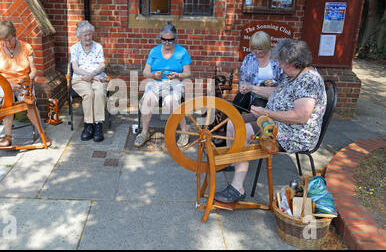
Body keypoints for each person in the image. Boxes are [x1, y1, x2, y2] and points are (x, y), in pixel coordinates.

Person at [215, 39, 327, 203]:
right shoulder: (293, 75)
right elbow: (276, 93)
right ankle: (235, 161)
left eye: (282, 63)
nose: (280, 66)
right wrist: (252, 88)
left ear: (294, 62)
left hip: (294, 133)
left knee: (242, 132)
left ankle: (237, 187)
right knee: (233, 122)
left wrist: (267, 112)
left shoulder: (308, 80)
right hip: (275, 120)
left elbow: (301, 116)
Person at [0, 20, 51, 147]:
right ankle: (8, 136)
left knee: (29, 103)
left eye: (10, 39)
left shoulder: (26, 47)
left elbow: (34, 70)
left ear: (15, 34)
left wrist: (27, 79)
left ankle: (41, 132)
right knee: (7, 102)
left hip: (23, 82)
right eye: (4, 41)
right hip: (3, 83)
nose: (7, 43)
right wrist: (9, 85)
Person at [134, 22, 192, 147]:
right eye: (163, 40)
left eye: (170, 40)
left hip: (175, 82)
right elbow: (145, 72)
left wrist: (178, 75)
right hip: (155, 82)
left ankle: (184, 131)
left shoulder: (182, 51)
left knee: (171, 101)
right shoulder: (154, 51)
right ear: (160, 38)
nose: (166, 43)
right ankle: (144, 132)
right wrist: (154, 75)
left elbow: (187, 72)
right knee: (147, 100)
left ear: (175, 39)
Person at [70, 20, 108, 142]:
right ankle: (88, 125)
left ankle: (98, 125)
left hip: (97, 76)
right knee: (89, 94)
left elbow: (102, 65)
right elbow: (75, 68)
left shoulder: (98, 47)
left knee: (99, 93)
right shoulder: (74, 48)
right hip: (80, 78)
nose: (88, 37)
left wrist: (93, 74)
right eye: (85, 35)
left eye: (89, 34)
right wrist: (91, 75)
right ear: (79, 36)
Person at [234, 31, 284, 112]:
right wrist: (243, 86)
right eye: (254, 49)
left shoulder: (277, 59)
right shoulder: (249, 58)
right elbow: (242, 78)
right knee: (236, 106)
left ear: (267, 46)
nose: (257, 51)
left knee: (257, 109)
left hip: (268, 97)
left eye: (260, 49)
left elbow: (284, 83)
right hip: (249, 94)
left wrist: (273, 82)